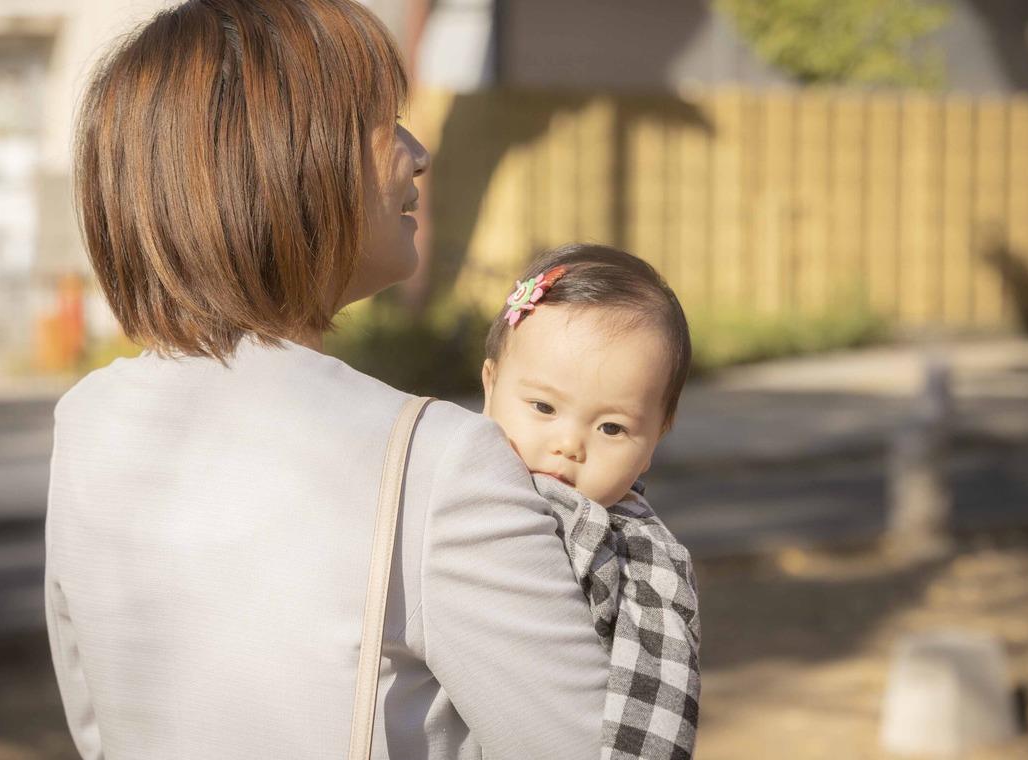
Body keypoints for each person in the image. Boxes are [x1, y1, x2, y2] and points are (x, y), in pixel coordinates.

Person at [44, 1, 609, 758]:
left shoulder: (89, 420)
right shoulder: (435, 460)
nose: (419, 153)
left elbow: (99, 728)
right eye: (385, 122)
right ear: (287, 157)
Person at [482, 243, 702, 757]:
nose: (569, 444)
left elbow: (656, 706)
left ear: (655, 440)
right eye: (542, 406)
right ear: (490, 386)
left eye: (611, 427)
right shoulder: (449, 486)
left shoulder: (643, 559)